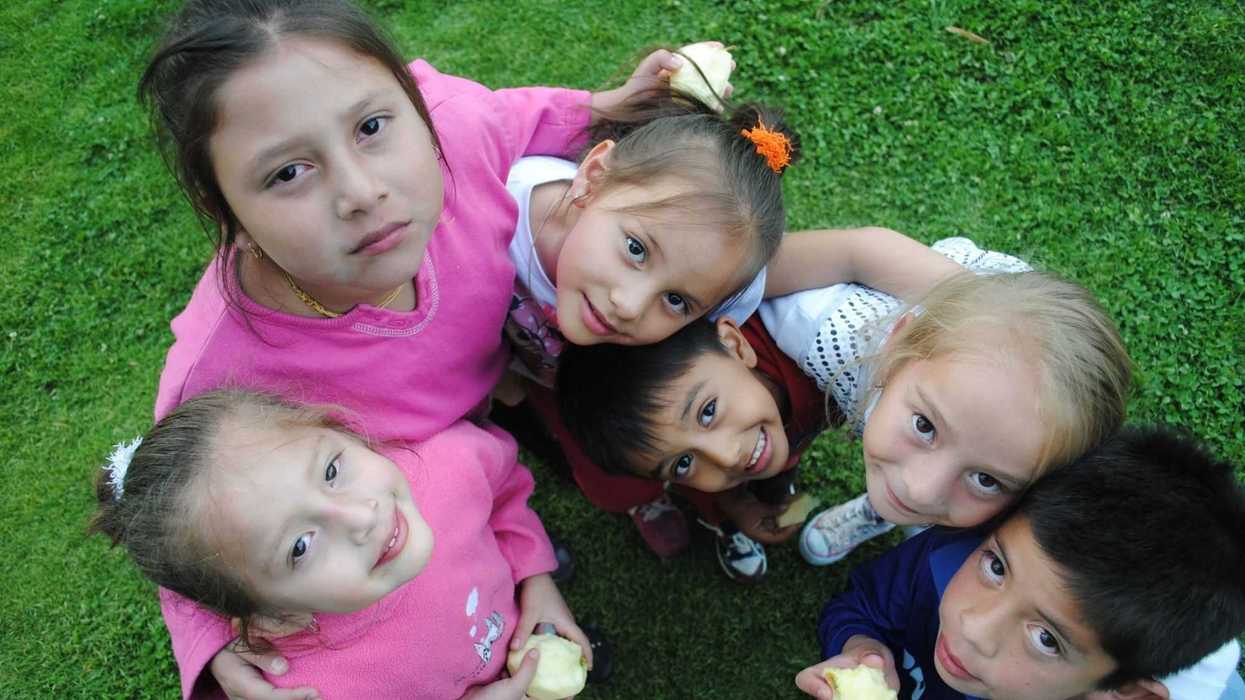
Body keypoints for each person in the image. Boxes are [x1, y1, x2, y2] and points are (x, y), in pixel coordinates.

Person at [140, 0, 662, 695]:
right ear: (227, 214)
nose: (362, 192)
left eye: (371, 127)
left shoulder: (454, 127)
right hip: (403, 482)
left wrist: (602, 104)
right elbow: (176, 503)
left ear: (415, 104)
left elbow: (507, 117)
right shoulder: (223, 367)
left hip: (502, 384)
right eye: (287, 174)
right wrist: (205, 643)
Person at [501, 77, 963, 559]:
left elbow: (855, 252)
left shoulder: (720, 280)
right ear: (593, 176)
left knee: (656, 452)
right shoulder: (500, 217)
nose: (630, 306)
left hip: (632, 391)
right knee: (612, 479)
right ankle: (645, 501)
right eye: (636, 249)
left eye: (678, 301)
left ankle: (683, 492)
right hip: (542, 379)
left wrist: (989, 306)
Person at [554, 239, 1124, 582]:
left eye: (988, 477)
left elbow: (856, 250)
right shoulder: (827, 341)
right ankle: (892, 506)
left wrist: (979, 312)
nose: (728, 453)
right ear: (899, 348)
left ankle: (886, 510)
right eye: (922, 425)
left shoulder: (821, 333)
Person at [93, 391, 586, 699]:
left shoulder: (444, 467)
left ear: (339, 429)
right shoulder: (307, 689)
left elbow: (502, 489)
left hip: (518, 624)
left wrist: (537, 579)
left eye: (331, 470)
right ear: (270, 619)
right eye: (301, 546)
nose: (360, 517)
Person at [794, 426, 1245, 700]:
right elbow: (862, 607)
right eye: (996, 567)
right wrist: (862, 651)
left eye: (1047, 639)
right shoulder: (945, 558)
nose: (973, 627)